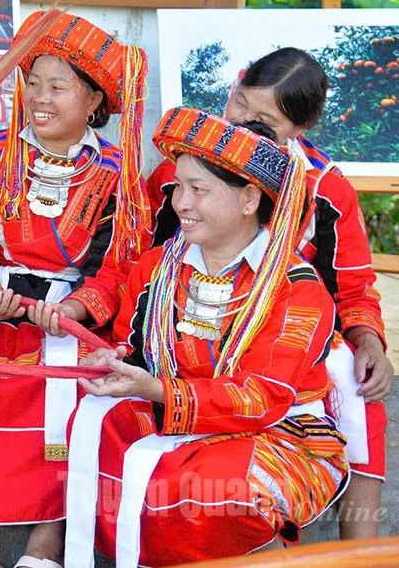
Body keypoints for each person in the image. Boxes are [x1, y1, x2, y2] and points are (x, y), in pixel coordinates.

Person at [67, 110, 348, 566]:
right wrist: (115, 362)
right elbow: (136, 349)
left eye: (199, 189)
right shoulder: (157, 267)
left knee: (218, 488)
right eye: (178, 186)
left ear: (249, 199)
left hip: (280, 432)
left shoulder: (295, 288)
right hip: (172, 412)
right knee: (95, 427)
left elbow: (262, 398)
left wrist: (158, 390)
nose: (182, 202)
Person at [0, 12, 151, 568]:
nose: (39, 98)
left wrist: (74, 307)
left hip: (68, 319)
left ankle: (44, 547)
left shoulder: (117, 174)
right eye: (32, 83)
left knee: (78, 404)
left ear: (94, 101)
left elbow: (119, 269)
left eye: (58, 86)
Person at [147, 47, 391, 539]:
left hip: (289, 338)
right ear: (233, 86)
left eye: (266, 120)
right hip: (189, 321)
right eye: (241, 103)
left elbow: (353, 287)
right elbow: (147, 262)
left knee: (361, 396)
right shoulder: (183, 170)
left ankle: (358, 551)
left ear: (301, 128)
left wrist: (369, 343)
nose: (244, 123)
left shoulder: (324, 189)